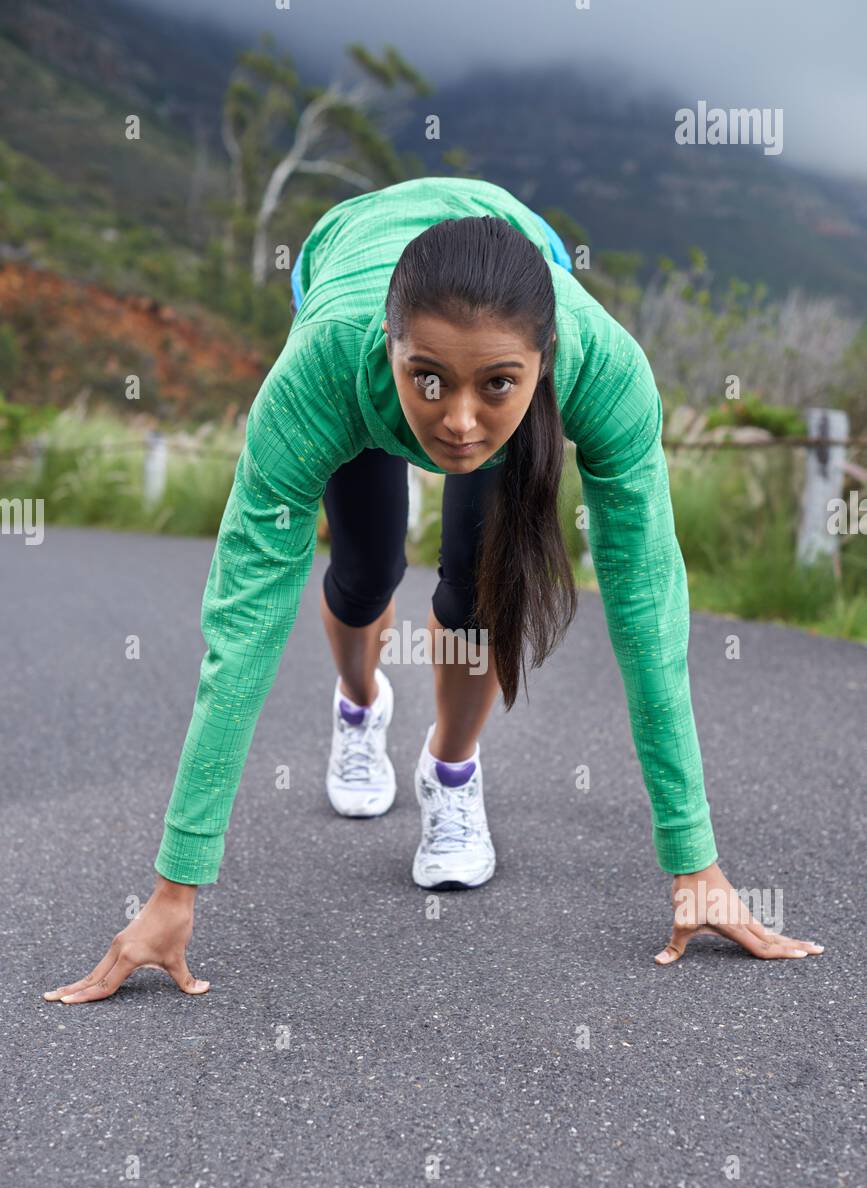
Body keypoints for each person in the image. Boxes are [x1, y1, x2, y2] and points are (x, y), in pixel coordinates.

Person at [43, 176, 824, 1005]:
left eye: (495, 385)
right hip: (345, 269)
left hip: (503, 272)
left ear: (545, 362)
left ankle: (449, 773)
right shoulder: (321, 372)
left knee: (481, 591)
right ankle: (358, 703)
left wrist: (693, 860)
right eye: (428, 381)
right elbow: (242, 624)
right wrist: (175, 888)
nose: (457, 422)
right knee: (366, 570)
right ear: (390, 349)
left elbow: (646, 606)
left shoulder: (606, 374)